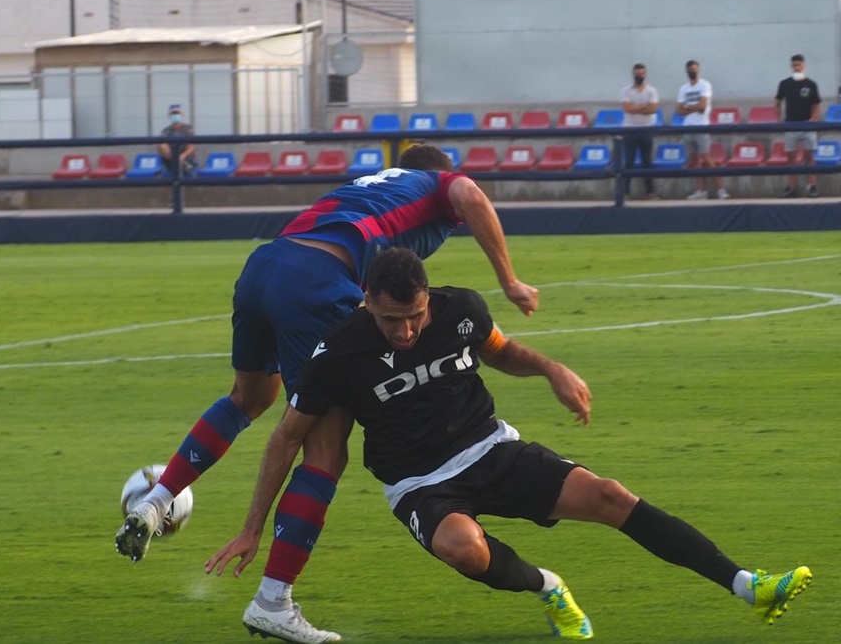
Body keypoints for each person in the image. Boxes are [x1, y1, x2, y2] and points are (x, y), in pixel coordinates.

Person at [208, 248, 813, 642]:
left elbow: (501, 352)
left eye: (416, 315)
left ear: (428, 299)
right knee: (463, 548)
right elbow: (286, 438)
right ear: (367, 301)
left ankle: (748, 586)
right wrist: (253, 528)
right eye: (394, 320)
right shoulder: (337, 353)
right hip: (419, 484)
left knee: (610, 496)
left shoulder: (461, 310)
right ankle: (548, 586)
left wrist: (551, 369)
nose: (409, 330)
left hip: (492, 449)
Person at [116, 145, 539, 639]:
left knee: (249, 399)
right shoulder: (434, 185)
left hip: (265, 267)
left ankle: (156, 499)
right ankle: (273, 601)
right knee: (324, 449)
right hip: (317, 283)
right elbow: (467, 192)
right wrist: (509, 281)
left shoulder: (373, 187)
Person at [677, 60, 729, 200]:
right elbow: (679, 110)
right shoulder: (683, 89)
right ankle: (701, 191)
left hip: (702, 125)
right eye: (690, 69)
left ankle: (720, 190)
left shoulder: (705, 85)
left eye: (694, 69)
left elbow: (703, 105)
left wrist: (689, 107)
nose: (692, 71)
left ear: (698, 69)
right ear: (686, 71)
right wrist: (694, 108)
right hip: (688, 127)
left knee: (707, 158)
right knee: (694, 160)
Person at [775, 54, 822, 198]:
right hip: (790, 125)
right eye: (794, 65)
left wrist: (814, 118)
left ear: (804, 66)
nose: (797, 67)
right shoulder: (785, 83)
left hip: (807, 125)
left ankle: (812, 186)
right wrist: (779, 119)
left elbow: (817, 103)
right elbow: (777, 101)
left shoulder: (811, 84)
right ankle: (791, 187)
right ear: (791, 66)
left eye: (799, 65)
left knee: (810, 157)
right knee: (791, 158)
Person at [621, 63, 659, 199]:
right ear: (633, 74)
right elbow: (627, 109)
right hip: (629, 130)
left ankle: (650, 192)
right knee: (629, 162)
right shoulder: (626, 90)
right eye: (637, 74)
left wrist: (635, 107)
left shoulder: (652, 91)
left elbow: (652, 109)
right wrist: (644, 106)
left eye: (642, 73)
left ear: (645, 74)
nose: (639, 76)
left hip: (646, 129)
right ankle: (625, 192)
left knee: (647, 162)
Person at [157, 103, 196, 175]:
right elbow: (161, 147)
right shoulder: (166, 130)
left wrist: (183, 155)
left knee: (190, 143)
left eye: (177, 113)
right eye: (173, 113)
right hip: (170, 160)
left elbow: (192, 146)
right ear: (169, 115)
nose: (175, 115)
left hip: (186, 157)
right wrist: (175, 157)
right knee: (162, 145)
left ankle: (181, 161)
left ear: (181, 114)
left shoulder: (188, 128)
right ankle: (178, 160)